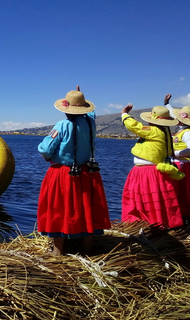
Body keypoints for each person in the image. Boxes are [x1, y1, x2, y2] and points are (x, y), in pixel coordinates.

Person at [37, 87, 111, 256]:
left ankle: (57, 251)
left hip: (64, 174)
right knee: (87, 208)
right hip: (88, 173)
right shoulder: (90, 123)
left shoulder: (62, 125)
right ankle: (87, 249)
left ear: (65, 109)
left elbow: (46, 149)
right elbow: (91, 114)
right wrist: (81, 97)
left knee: (59, 208)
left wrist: (49, 155)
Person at [121, 103, 184, 228]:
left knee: (142, 199)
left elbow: (135, 127)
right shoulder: (165, 132)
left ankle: (146, 223)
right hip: (152, 171)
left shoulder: (154, 131)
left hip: (146, 172)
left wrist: (124, 114)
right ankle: (160, 222)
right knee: (155, 199)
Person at [164, 94, 190, 220]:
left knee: (183, 192)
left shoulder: (188, 133)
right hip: (180, 165)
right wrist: (167, 104)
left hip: (183, 166)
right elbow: (173, 114)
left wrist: (175, 153)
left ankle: (184, 216)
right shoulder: (183, 129)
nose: (176, 118)